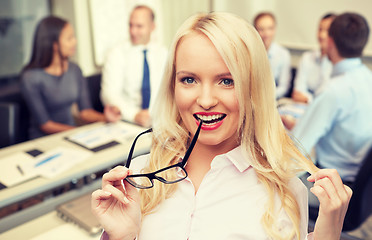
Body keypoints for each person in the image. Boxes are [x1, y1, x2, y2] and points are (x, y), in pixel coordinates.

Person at [92, 12, 352, 240]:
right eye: (189, 79)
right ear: (173, 86)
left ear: (253, 88)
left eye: (226, 81)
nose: (205, 101)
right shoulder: (138, 176)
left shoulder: (286, 193)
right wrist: (120, 237)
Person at [289, 12, 372, 206]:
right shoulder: (368, 78)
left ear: (330, 42)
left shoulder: (333, 91)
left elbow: (294, 152)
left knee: (268, 184)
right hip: (359, 186)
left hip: (334, 187)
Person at [21, 16, 118, 139]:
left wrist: (105, 118)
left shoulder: (74, 69)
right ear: (54, 45)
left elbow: (85, 112)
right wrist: (79, 132)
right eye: (69, 38)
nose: (74, 42)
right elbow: (45, 125)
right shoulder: (30, 77)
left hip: (72, 136)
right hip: (44, 141)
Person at [100, 5, 168, 128]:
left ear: (152, 27)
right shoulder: (116, 53)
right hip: (127, 122)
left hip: (159, 121)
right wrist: (134, 115)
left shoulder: (163, 53)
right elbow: (109, 94)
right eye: (131, 25)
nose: (133, 31)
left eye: (139, 26)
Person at [291, 13, 336, 103]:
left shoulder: (337, 63)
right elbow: (297, 92)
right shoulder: (306, 58)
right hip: (302, 107)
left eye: (327, 31)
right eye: (320, 29)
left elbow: (328, 98)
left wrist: (308, 99)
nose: (322, 35)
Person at [254, 12, 292, 99]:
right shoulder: (248, 53)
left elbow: (284, 87)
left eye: (270, 28)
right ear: (255, 30)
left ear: (275, 29)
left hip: (272, 99)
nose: (266, 34)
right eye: (261, 29)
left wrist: (266, 98)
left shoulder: (283, 54)